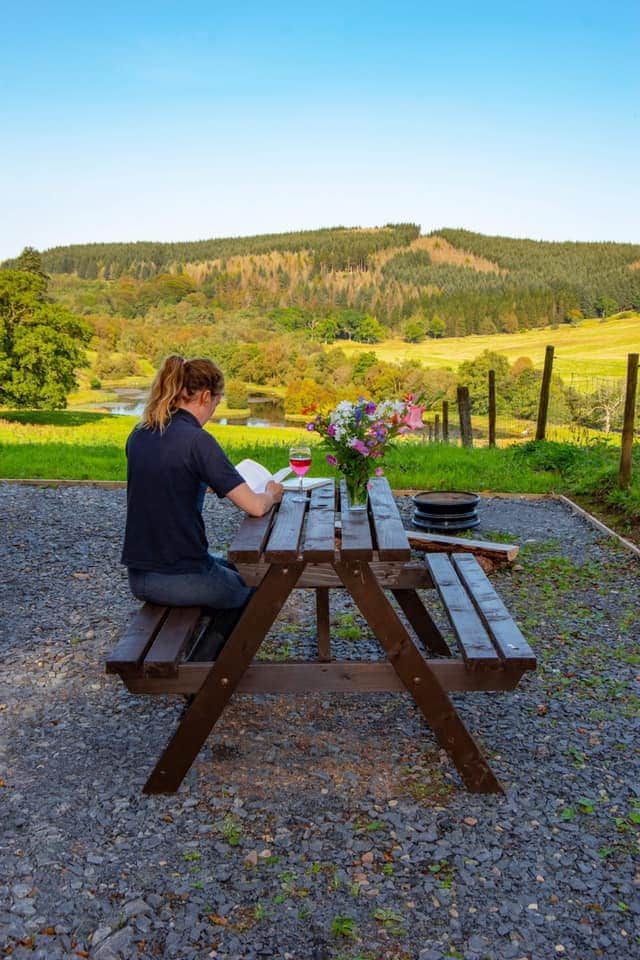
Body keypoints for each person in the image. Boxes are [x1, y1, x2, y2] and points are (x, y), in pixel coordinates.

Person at [121, 355, 283, 659]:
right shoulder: (197, 441)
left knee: (238, 570)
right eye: (216, 404)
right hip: (177, 575)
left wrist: (196, 481)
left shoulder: (140, 433)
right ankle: (204, 680)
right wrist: (272, 494)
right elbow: (255, 507)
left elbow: (161, 483)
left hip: (140, 572)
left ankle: (201, 661)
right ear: (206, 396)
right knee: (253, 597)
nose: (213, 412)